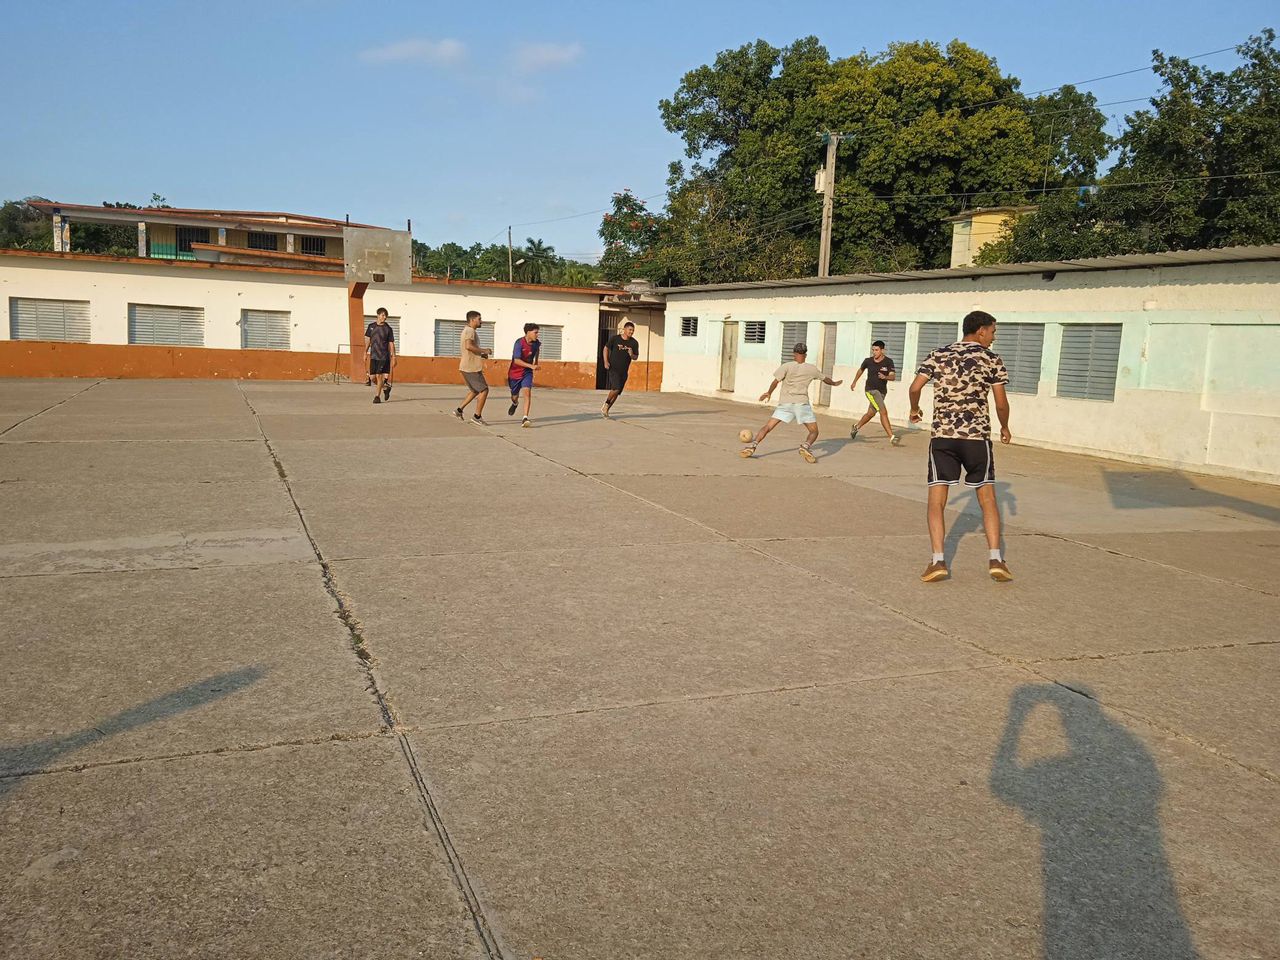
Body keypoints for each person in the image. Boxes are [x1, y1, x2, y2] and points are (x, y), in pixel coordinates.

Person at [908, 310, 1013, 582]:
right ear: (980, 331)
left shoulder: (938, 354)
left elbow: (915, 386)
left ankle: (938, 562)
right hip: (976, 438)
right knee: (987, 499)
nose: (993, 337)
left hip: (943, 438)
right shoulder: (991, 360)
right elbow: (1001, 402)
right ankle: (995, 559)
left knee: (936, 500)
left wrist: (914, 409)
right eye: (992, 331)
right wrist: (1004, 425)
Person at [740, 342, 842, 463]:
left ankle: (753, 445)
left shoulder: (786, 366)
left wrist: (769, 392)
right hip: (801, 404)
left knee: (768, 427)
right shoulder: (811, 369)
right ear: (806, 355)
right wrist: (834, 383)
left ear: (794, 354)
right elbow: (826, 379)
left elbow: (775, 382)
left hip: (785, 404)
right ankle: (805, 447)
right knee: (814, 431)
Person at [849, 339, 900, 444]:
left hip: (882, 391)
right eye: (873, 350)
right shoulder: (868, 361)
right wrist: (854, 382)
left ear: (882, 350)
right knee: (883, 412)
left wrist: (885, 377)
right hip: (871, 391)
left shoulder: (888, 361)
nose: (874, 352)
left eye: (876, 350)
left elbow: (893, 376)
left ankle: (856, 427)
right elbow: (860, 370)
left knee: (871, 413)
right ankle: (892, 436)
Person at [454, 310, 491, 423]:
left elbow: (470, 348)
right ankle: (477, 416)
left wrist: (481, 354)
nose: (481, 321)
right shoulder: (470, 331)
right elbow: (468, 346)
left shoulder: (468, 330)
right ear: (472, 320)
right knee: (484, 390)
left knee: (475, 390)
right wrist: (484, 350)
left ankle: (459, 410)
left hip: (467, 366)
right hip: (471, 367)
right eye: (479, 319)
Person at [601, 320, 640, 418]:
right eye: (630, 330)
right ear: (624, 329)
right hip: (613, 368)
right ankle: (606, 404)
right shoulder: (615, 339)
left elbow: (636, 357)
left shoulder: (634, 343)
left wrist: (631, 354)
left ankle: (606, 410)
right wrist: (606, 361)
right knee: (616, 388)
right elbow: (606, 348)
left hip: (624, 371)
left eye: (633, 331)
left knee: (617, 392)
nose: (631, 332)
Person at [506, 322, 541, 427]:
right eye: (535, 332)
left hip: (527, 372)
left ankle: (525, 418)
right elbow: (516, 360)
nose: (537, 334)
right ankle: (515, 403)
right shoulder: (519, 343)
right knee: (514, 396)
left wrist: (536, 362)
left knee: (527, 392)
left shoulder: (536, 343)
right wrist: (531, 366)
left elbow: (537, 349)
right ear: (528, 332)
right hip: (515, 373)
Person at [364, 308, 396, 404]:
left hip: (384, 356)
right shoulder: (371, 327)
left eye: (386, 315)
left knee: (379, 376)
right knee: (372, 377)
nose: (384, 317)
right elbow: (368, 341)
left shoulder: (388, 329)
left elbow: (391, 343)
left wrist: (394, 357)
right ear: (378, 315)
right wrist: (365, 352)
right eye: (383, 315)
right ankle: (385, 388)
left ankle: (377, 397)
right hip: (373, 356)